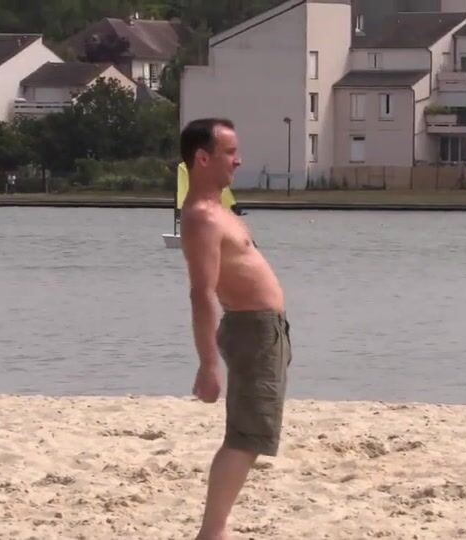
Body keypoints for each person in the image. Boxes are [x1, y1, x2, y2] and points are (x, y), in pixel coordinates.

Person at [179, 118, 291, 540]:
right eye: (229, 152)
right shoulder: (203, 218)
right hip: (250, 331)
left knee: (251, 435)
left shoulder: (221, 210)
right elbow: (201, 293)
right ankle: (212, 533)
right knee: (245, 437)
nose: (238, 160)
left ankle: (214, 531)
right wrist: (208, 364)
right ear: (203, 158)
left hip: (265, 330)